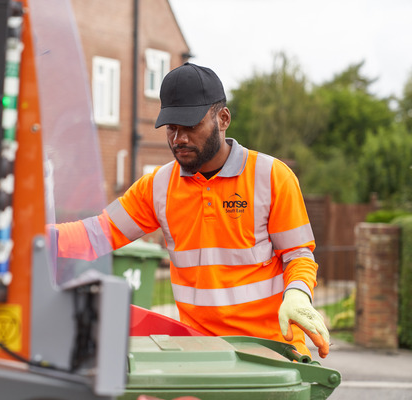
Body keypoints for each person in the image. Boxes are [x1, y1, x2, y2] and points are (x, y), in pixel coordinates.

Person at [56, 62, 330, 358]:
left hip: (271, 349)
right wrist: (25, 237)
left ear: (223, 118)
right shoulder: (158, 187)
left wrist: (298, 294)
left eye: (190, 126)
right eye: (172, 128)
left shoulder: (271, 177)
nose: (179, 139)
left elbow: (298, 254)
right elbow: (95, 235)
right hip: (200, 351)